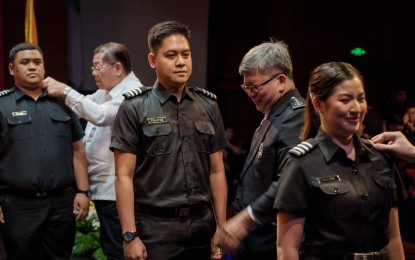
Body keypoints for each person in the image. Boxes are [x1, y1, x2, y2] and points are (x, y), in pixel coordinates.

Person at [110, 21, 228, 260]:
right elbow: (123, 176)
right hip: (155, 227)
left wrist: (222, 227)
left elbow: (216, 171)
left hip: (201, 225)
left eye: (186, 54)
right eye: (171, 55)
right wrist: (129, 235)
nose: (181, 61)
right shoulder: (135, 107)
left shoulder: (208, 105)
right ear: (153, 60)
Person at [274, 61, 407, 260]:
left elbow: (394, 237)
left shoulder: (381, 156)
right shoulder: (301, 163)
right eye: (345, 100)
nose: (356, 108)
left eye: (360, 99)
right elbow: (287, 249)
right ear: (318, 104)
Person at [43, 42, 142, 259]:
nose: (94, 73)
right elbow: (85, 104)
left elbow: (99, 115)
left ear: (117, 68)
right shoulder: (105, 92)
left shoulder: (133, 93)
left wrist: (66, 90)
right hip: (102, 189)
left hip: (116, 191)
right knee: (111, 249)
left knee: (119, 252)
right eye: (92, 68)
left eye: (98, 67)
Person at [214, 40, 305, 260]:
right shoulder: (276, 114)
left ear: (281, 81)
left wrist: (244, 221)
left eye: (254, 86)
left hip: (271, 244)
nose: (250, 93)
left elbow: (289, 183)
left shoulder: (296, 118)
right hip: (253, 242)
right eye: (246, 87)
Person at [0, 43, 90, 259]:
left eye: (37, 62)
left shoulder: (62, 103)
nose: (32, 67)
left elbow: (77, 149)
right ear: (12, 69)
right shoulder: (2, 105)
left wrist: (83, 191)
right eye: (25, 62)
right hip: (18, 205)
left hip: (61, 204)